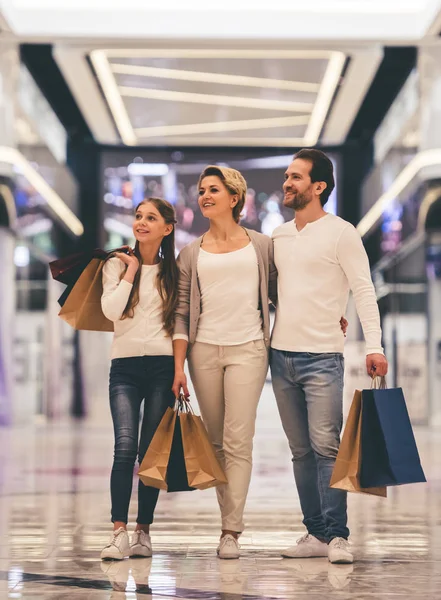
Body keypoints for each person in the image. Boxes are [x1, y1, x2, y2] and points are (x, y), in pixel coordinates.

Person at [270, 149, 388, 565]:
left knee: (326, 448)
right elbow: (276, 292)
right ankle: (315, 533)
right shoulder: (280, 236)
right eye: (287, 175)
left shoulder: (342, 233)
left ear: (318, 186)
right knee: (300, 451)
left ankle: (338, 535)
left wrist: (374, 345)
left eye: (296, 177)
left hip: (322, 357)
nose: (287, 182)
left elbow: (364, 289)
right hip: (279, 356)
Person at [172, 165, 277, 559]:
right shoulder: (190, 253)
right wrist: (179, 365)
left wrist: (330, 314)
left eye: (213, 189)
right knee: (216, 443)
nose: (204, 196)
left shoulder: (262, 246)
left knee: (238, 440)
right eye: (201, 190)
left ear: (235, 199)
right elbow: (181, 312)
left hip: (249, 348)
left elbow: (283, 293)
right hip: (203, 352)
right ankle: (225, 522)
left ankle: (231, 530)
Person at [100, 197, 179, 560]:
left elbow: (181, 325)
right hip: (126, 367)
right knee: (125, 445)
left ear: (167, 228)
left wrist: (181, 370)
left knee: (150, 453)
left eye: (151, 218)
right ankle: (118, 531)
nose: (141, 222)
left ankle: (143, 530)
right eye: (138, 216)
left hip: (163, 367)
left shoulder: (174, 272)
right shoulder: (115, 265)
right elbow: (112, 311)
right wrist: (131, 270)